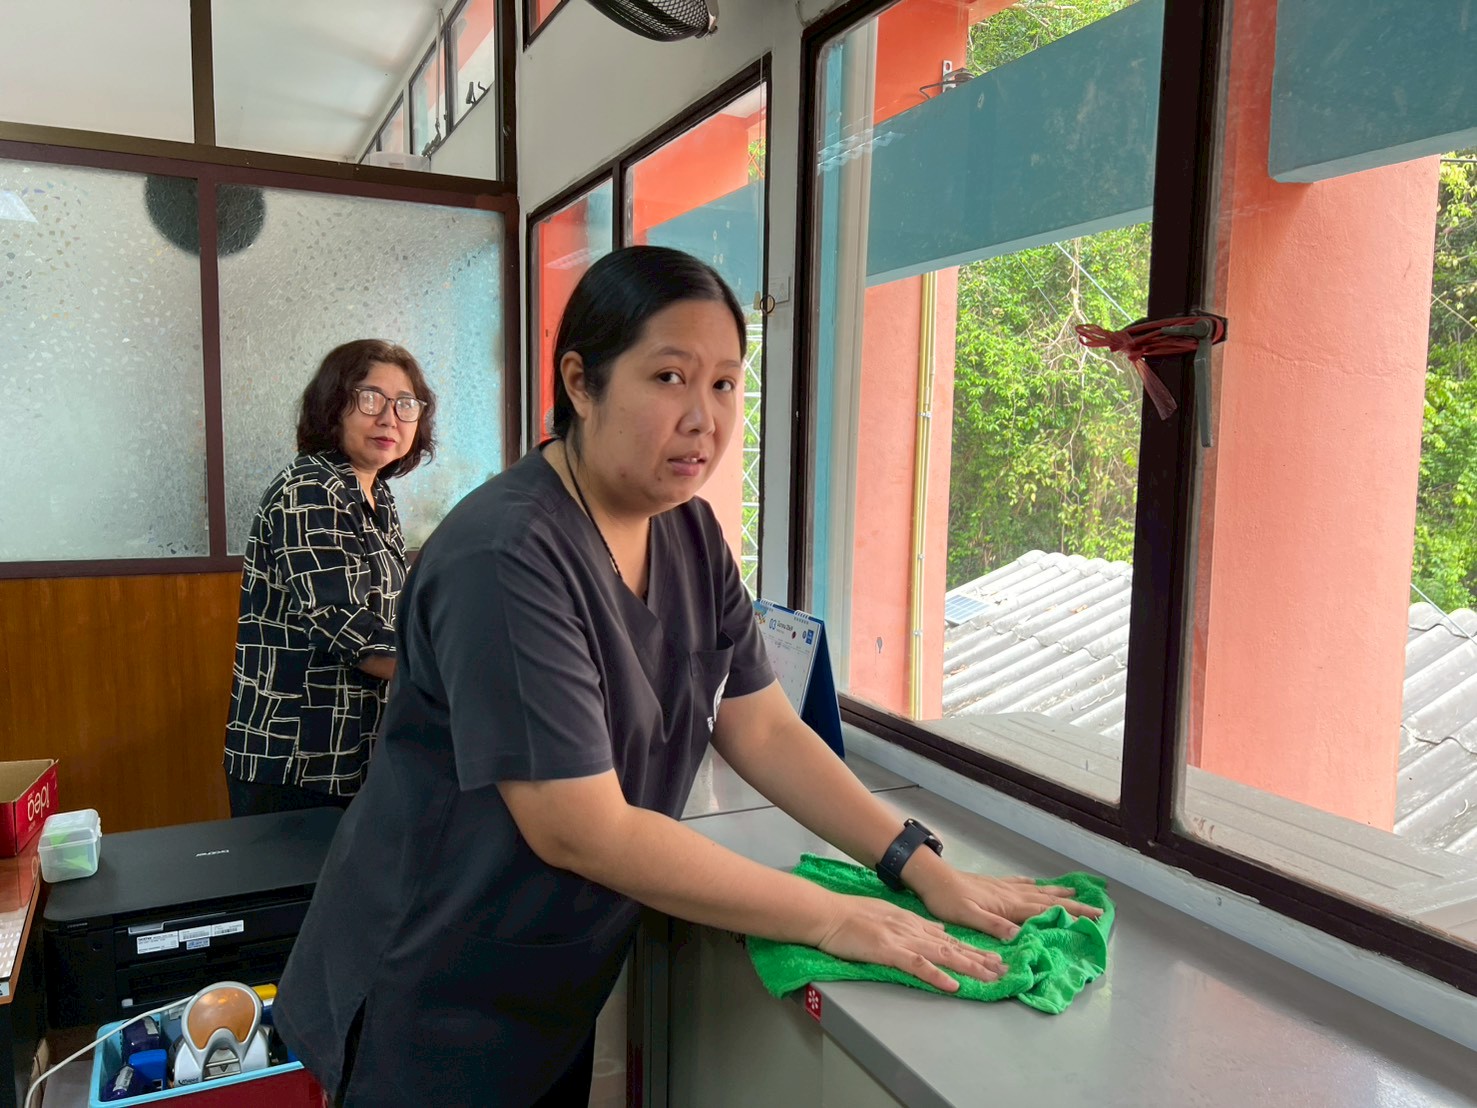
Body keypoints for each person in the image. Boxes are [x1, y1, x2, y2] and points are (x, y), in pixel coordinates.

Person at [272, 248, 1099, 1106]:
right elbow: (579, 829)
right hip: (426, 985)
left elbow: (763, 728)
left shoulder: (691, 533)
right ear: (581, 383)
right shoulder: (506, 554)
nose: (704, 418)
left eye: (725, 384)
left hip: (545, 978)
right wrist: (834, 916)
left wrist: (919, 866)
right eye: (669, 377)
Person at [222, 339, 436, 817]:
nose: (390, 418)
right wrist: (452, 671)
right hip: (298, 757)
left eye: (405, 404)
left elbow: (393, 611)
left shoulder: (376, 493)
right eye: (370, 399)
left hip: (355, 751)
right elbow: (342, 625)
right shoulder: (311, 488)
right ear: (333, 405)